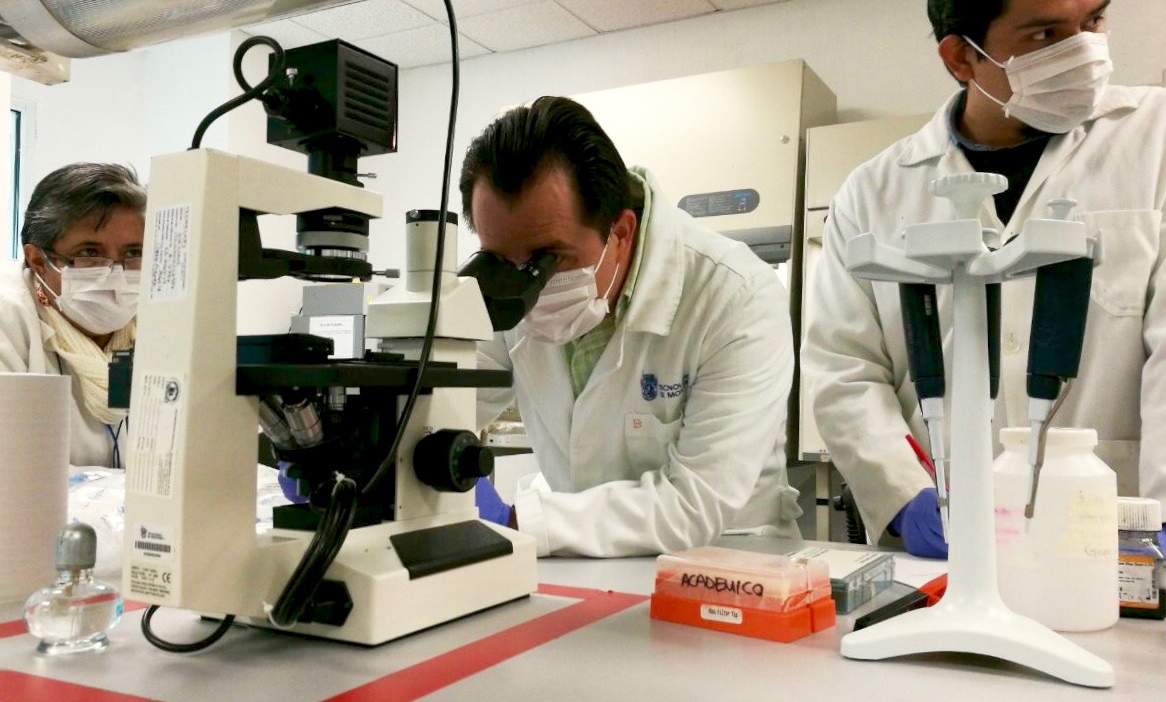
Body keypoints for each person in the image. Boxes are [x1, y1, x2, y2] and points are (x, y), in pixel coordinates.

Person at [803, 0, 1166, 558]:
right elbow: (844, 367)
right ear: (961, 59)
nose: (1084, 51)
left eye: (1093, 20)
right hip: (949, 538)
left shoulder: (1156, 138)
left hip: (1118, 544)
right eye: (1045, 33)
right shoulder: (871, 192)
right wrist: (906, 495)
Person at [462, 96, 801, 558]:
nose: (526, 290)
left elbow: (693, 502)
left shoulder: (737, 296)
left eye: (550, 260)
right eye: (502, 262)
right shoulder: (510, 289)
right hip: (580, 568)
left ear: (619, 232)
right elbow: (449, 400)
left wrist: (515, 521)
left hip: (726, 570)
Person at [0, 163, 146, 490]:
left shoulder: (156, 320)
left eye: (133, 253)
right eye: (89, 253)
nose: (115, 273)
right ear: (38, 260)